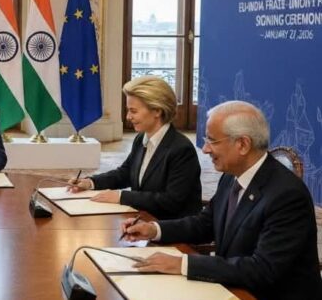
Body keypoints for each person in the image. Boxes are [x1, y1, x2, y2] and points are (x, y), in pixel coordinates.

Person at [121, 101, 322, 300]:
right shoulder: (231, 176)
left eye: (212, 141)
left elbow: (262, 269)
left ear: (243, 144)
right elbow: (205, 223)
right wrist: (154, 229)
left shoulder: (287, 195)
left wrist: (183, 264)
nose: (205, 149)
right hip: (232, 287)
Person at [68, 76, 201, 219]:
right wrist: (90, 182)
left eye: (133, 111)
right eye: (128, 110)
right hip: (142, 220)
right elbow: (125, 173)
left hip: (169, 228)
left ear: (157, 111)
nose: (128, 117)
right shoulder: (141, 139)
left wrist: (121, 196)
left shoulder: (182, 150)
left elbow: (171, 201)